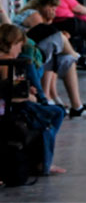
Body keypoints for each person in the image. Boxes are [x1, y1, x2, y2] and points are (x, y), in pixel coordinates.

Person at [13, 0, 86, 118]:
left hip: (31, 51)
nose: (53, 11)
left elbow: (43, 35)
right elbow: (42, 34)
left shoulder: (37, 15)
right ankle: (78, 58)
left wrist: (50, 22)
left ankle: (77, 106)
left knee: (67, 60)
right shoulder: (34, 14)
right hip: (23, 53)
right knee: (57, 39)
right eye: (51, 7)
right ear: (42, 6)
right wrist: (56, 31)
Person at [0, 24, 67, 175]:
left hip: (8, 107)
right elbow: (15, 96)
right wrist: (32, 96)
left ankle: (42, 160)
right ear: (13, 43)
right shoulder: (11, 64)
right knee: (54, 116)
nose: (19, 50)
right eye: (19, 46)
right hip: (12, 110)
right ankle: (43, 163)